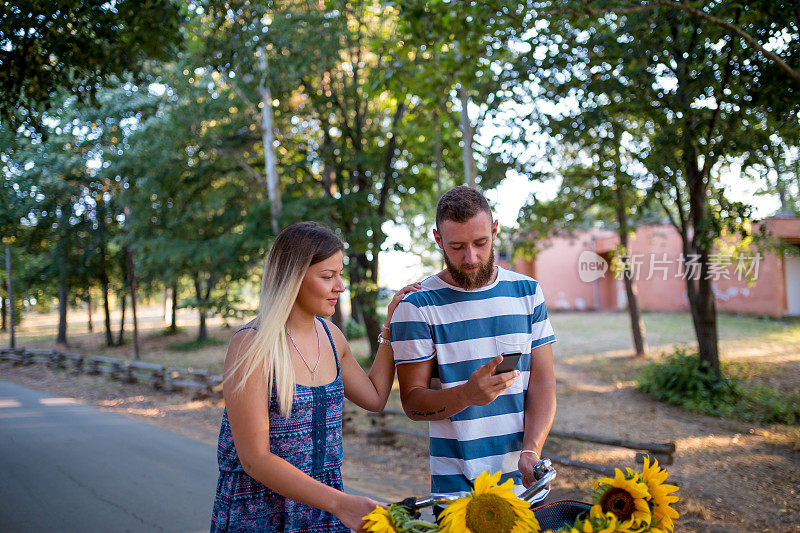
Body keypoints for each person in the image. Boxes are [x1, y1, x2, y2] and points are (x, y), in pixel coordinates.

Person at [210, 221, 419, 533]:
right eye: (327, 276)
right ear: (293, 278)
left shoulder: (332, 337)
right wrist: (340, 503)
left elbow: (375, 398)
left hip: (324, 510)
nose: (340, 286)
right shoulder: (252, 345)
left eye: (340, 274)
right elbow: (254, 459)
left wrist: (390, 326)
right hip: (260, 512)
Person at [390, 185, 556, 502]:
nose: (471, 257)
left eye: (481, 243)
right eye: (457, 246)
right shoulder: (417, 306)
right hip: (457, 499)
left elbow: (543, 381)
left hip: (526, 491)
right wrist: (468, 393)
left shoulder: (528, 292)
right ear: (438, 239)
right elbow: (412, 404)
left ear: (494, 230)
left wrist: (531, 449)